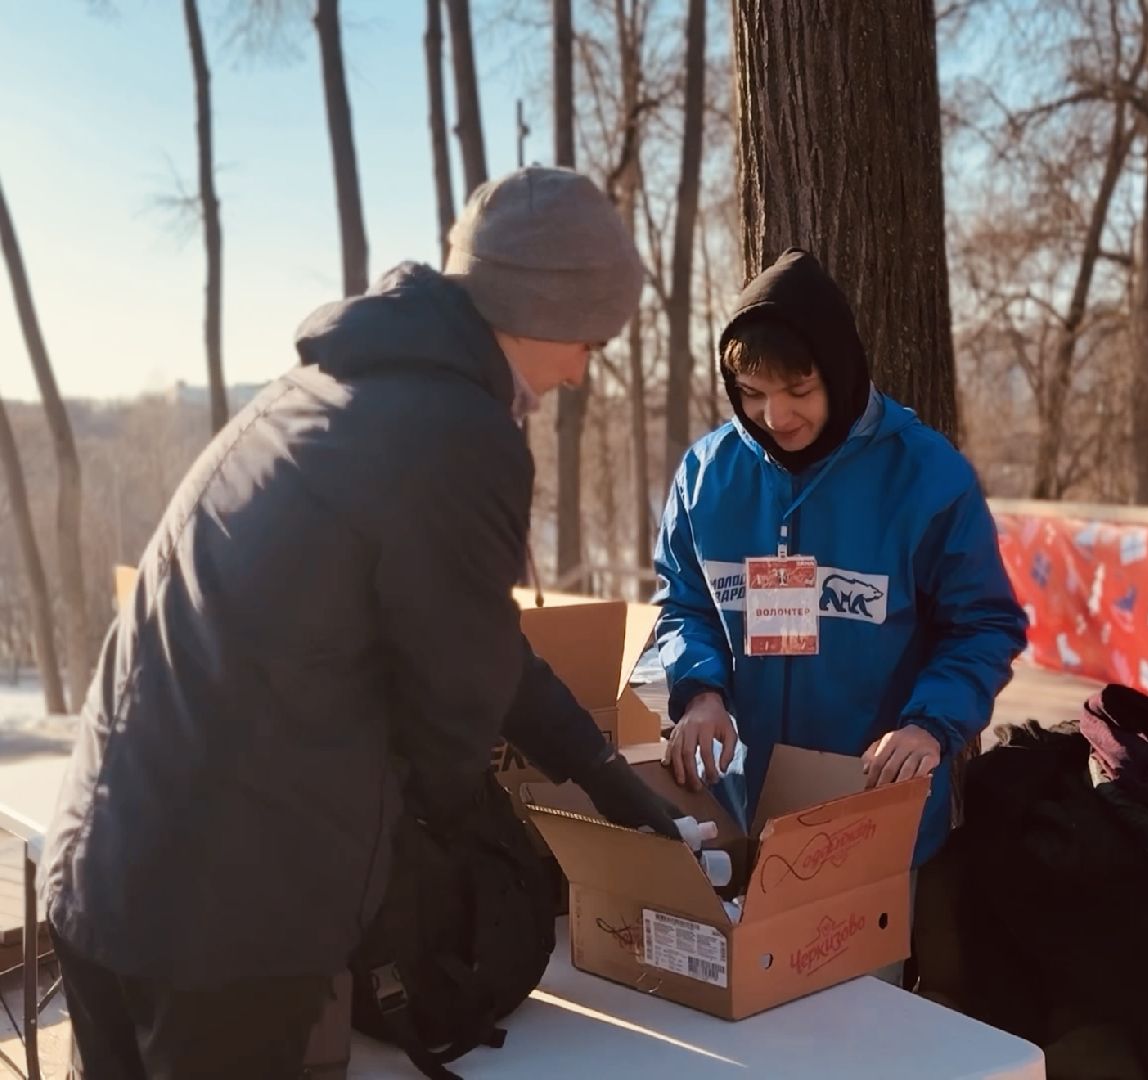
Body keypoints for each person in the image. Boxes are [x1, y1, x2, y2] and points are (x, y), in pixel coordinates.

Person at [42, 166, 680, 1079]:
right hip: (224, 919)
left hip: (107, 862)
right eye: (591, 339)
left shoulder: (331, 392)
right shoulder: (460, 434)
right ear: (541, 306)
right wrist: (495, 877)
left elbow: (480, 642)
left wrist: (609, 781)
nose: (584, 370)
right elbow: (453, 713)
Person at [653, 247, 1028, 873]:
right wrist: (700, 693)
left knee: (863, 971)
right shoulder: (704, 477)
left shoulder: (927, 478)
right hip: (742, 807)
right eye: (752, 394)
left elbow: (983, 626)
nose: (776, 417)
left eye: (799, 390)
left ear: (840, 370)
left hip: (875, 808)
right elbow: (685, 603)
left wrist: (929, 727)